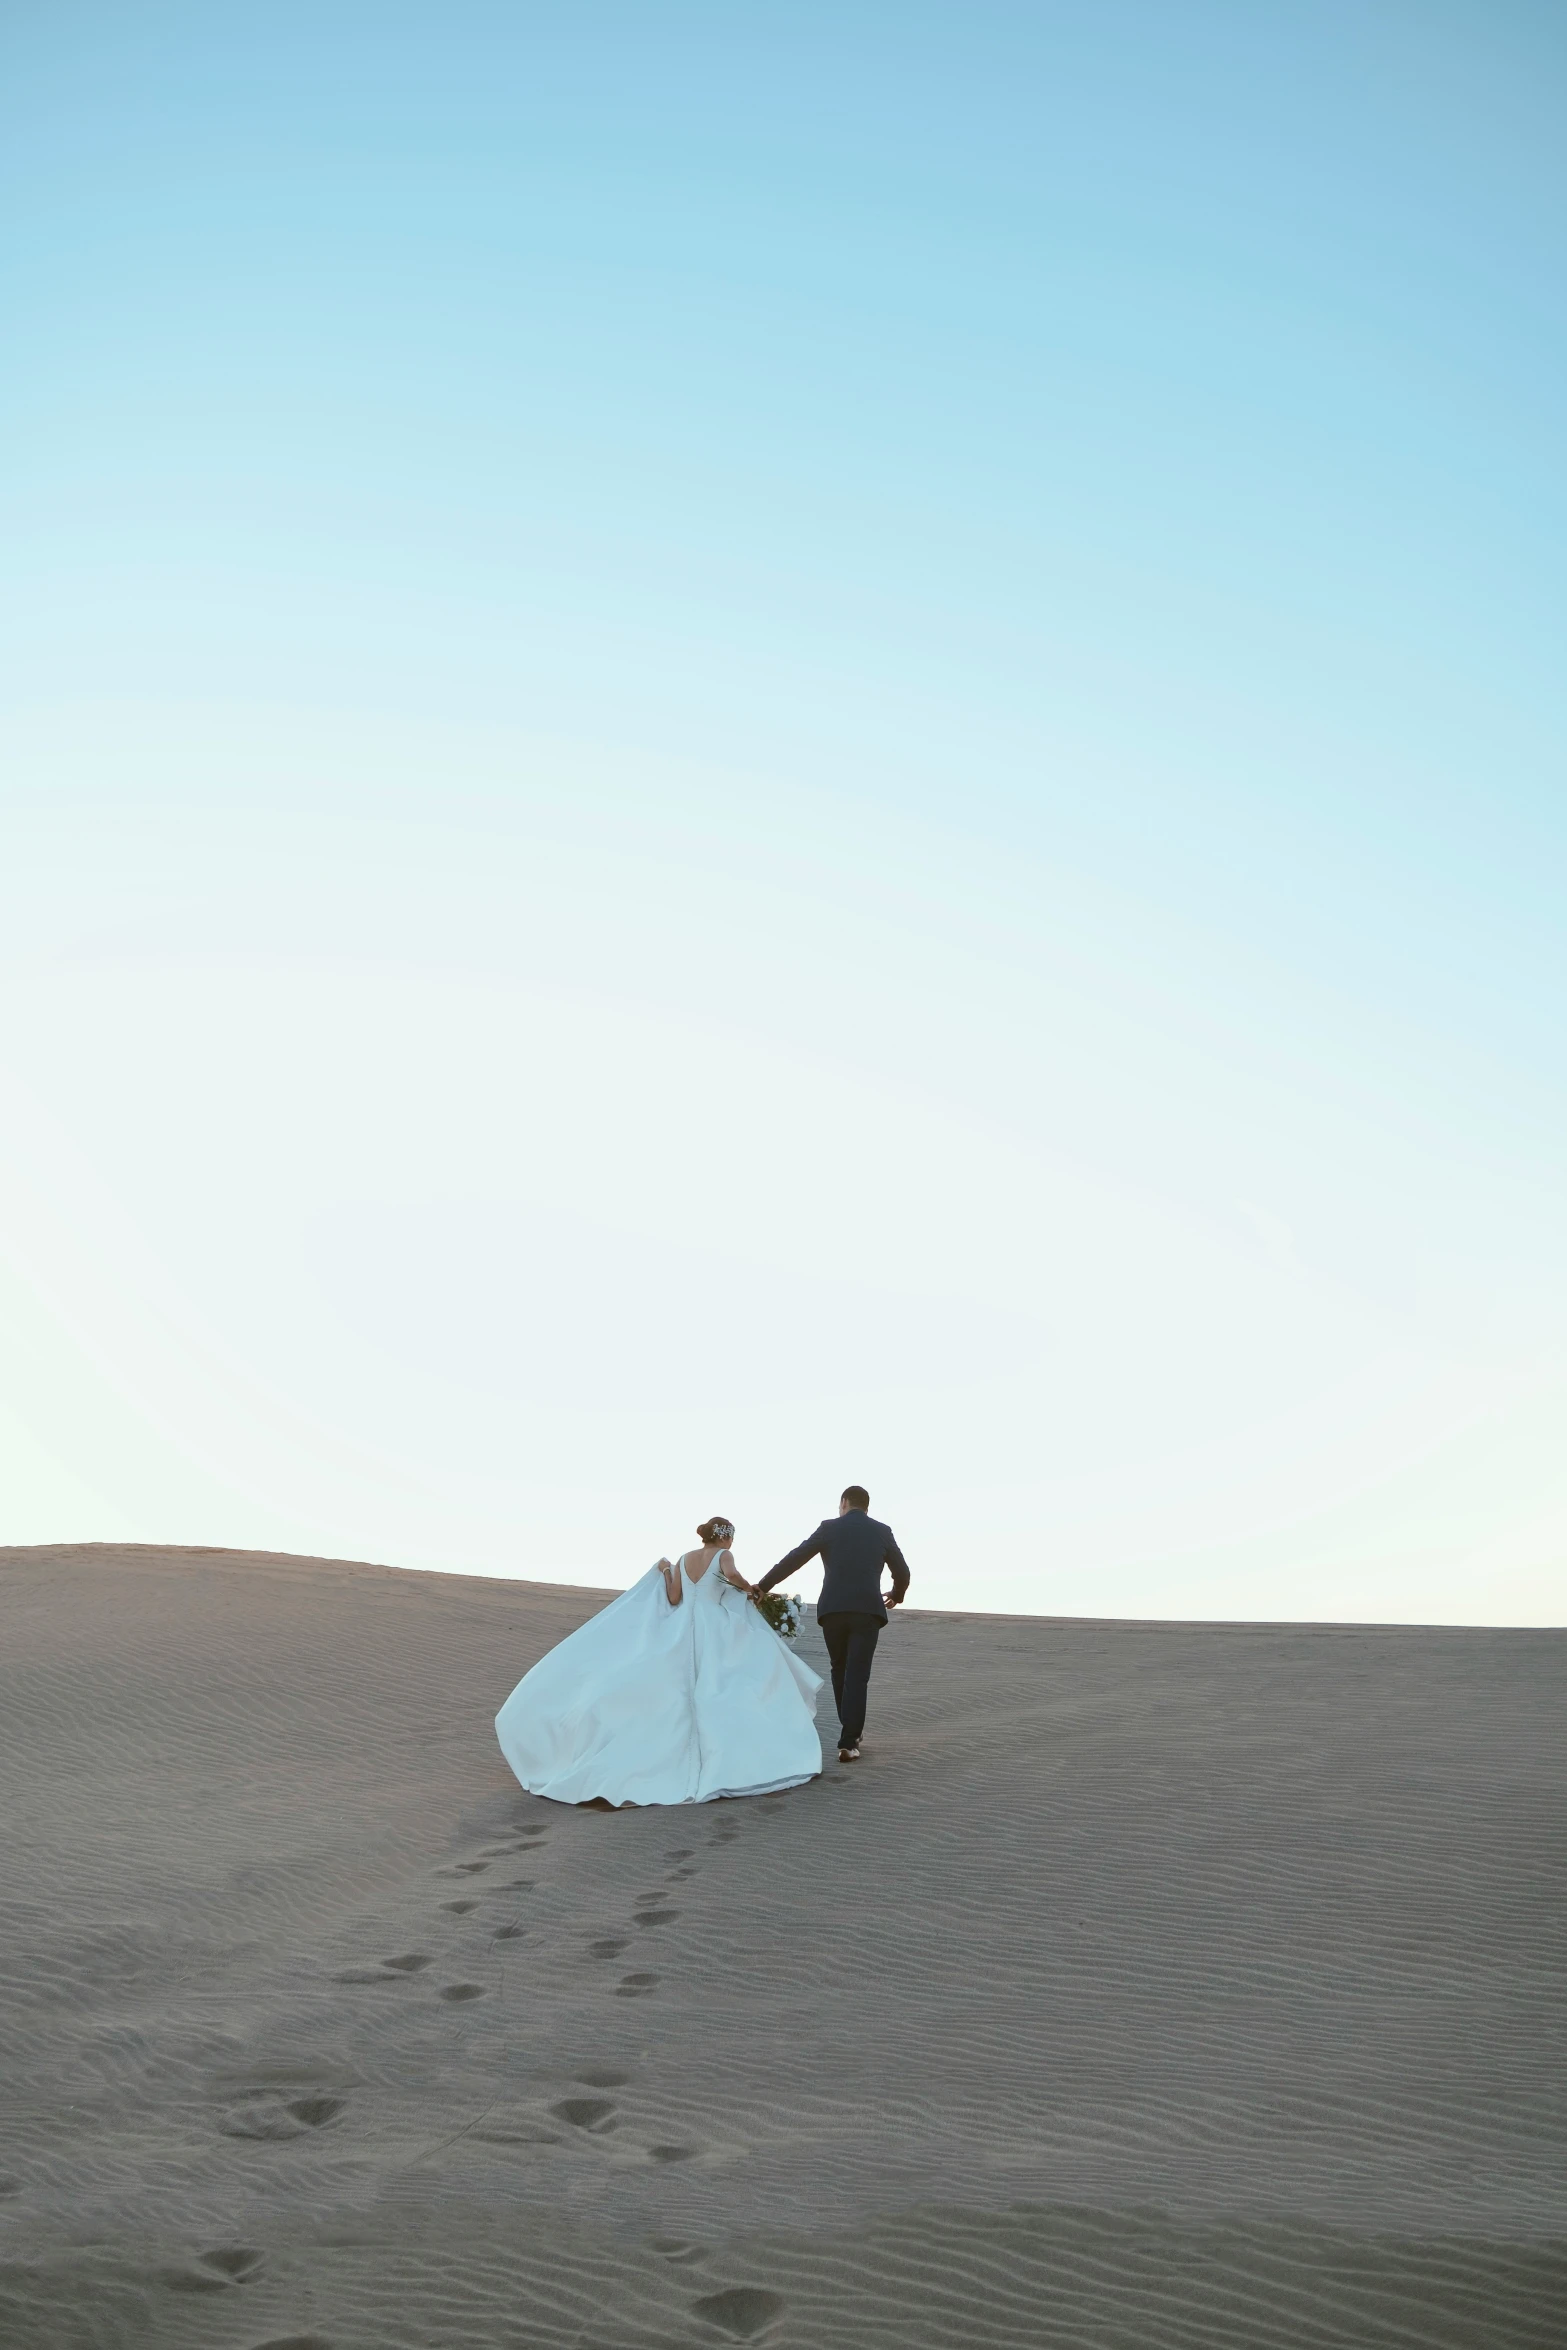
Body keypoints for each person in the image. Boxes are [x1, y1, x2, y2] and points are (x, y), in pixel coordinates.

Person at [494, 1517, 822, 1806]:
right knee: (725, 1681)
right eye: (732, 1538)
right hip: (711, 1624)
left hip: (681, 1626)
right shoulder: (723, 1555)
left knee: (680, 1687)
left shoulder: (683, 1558)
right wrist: (751, 1589)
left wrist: (666, 1571)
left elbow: (674, 1597)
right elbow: (732, 1574)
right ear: (725, 1536)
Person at [753, 1486, 909, 1763]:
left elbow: (795, 1559)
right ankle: (849, 1740)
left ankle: (849, 1731)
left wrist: (764, 1586)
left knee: (840, 1668)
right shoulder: (882, 1531)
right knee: (858, 1675)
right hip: (867, 1611)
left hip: (833, 1610)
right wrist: (897, 1594)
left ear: (844, 1503)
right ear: (866, 1506)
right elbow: (903, 1571)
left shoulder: (829, 1528)